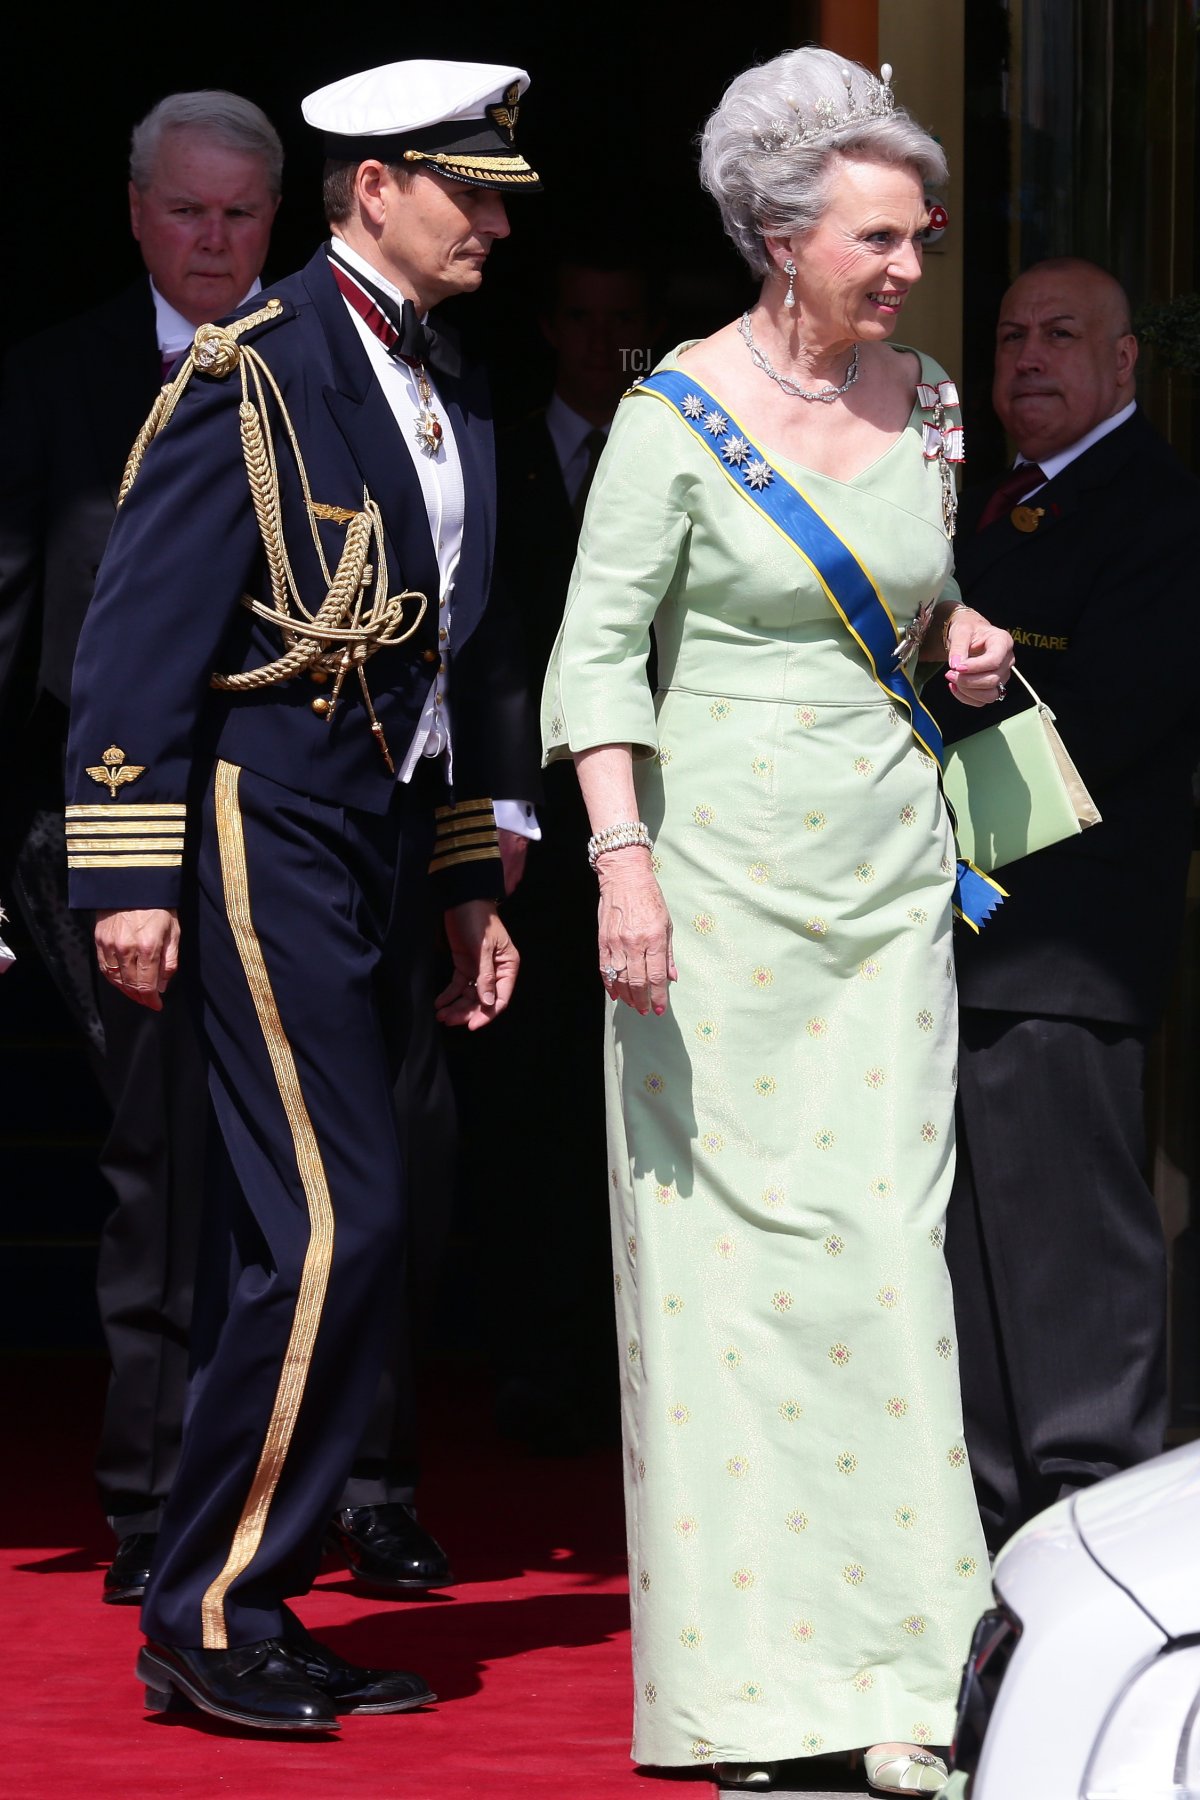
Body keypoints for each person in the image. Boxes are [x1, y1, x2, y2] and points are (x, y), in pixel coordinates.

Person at [542, 47, 1013, 1793]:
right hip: (713, 895)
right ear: (781, 234)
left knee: (886, 1264)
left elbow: (914, 595)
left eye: (922, 233)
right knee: (731, 1281)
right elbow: (596, 658)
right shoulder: (674, 418)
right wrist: (624, 868)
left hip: (887, 886)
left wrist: (959, 639)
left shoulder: (934, 402)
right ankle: (755, 1696)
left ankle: (905, 1680)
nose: (909, 266)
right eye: (881, 238)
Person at [63, 57, 538, 1732]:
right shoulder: (253, 372)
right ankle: (205, 1610)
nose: (494, 218)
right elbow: (138, 632)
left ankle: (238, 1597)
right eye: (466, 187)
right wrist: (125, 870)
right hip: (267, 828)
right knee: (339, 1225)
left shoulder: (446, 378)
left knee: (348, 1227)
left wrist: (477, 876)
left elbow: (464, 661)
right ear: (371, 186)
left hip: (384, 843)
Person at [0, 88, 457, 1610]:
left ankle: (352, 1499)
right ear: (136, 213)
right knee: (176, 1177)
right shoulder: (109, 381)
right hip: (148, 822)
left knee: (348, 1183)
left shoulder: (376, 368)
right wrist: (104, 867)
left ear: (284, 213)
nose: (212, 238)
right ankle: (165, 1520)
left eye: (239, 212)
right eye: (186, 211)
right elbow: (69, 642)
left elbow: (446, 632)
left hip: (339, 830)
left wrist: (462, 846)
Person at [927, 257, 1200, 1554]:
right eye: (1011, 335)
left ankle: (1096, 1535)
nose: (1028, 356)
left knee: (1077, 1272)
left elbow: (1112, 728)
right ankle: (997, 1536)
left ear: (1126, 362)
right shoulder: (989, 508)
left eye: (1062, 336)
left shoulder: (1155, 507)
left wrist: (912, 827)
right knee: (978, 1266)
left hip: (1063, 950)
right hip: (969, 948)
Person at [453, 251, 655, 1456]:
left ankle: (638, 1355)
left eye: (624, 320)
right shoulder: (496, 449)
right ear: (547, 329)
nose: (601, 342)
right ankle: (534, 1357)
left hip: (653, 831)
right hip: (530, 831)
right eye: (581, 320)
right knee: (530, 1101)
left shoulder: (684, 445)